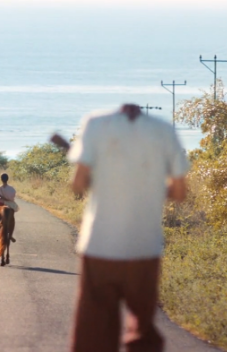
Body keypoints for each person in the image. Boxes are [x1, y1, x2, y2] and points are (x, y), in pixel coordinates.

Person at [67, 104, 189, 352]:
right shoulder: (164, 129)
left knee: (93, 330)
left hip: (99, 247)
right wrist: (150, 188)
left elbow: (78, 184)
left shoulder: (95, 123)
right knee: (142, 330)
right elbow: (179, 192)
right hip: (144, 250)